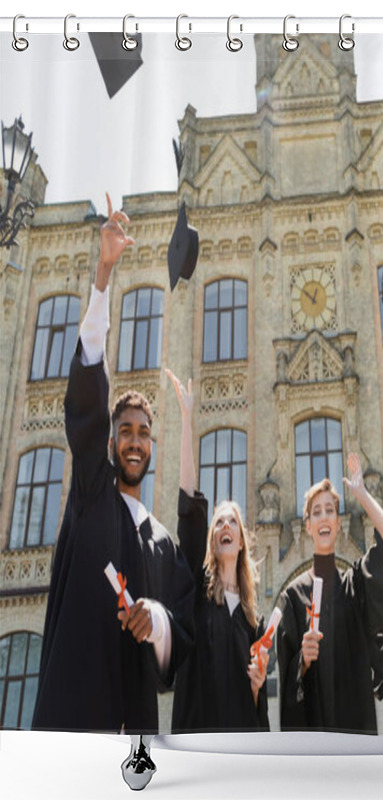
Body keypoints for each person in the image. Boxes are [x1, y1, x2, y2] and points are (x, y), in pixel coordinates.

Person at [32, 194, 195, 733]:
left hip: (134, 741)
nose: (133, 441)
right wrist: (103, 274)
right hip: (74, 724)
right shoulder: (91, 495)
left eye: (143, 434)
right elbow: (85, 400)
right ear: (110, 441)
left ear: (152, 446)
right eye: (123, 430)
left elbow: (181, 634)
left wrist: (157, 623)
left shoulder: (163, 542)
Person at [165, 369, 270, 732]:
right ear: (213, 539)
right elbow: (190, 507)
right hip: (200, 736)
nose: (225, 526)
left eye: (232, 523)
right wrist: (186, 418)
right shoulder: (197, 590)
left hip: (241, 744)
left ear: (241, 541)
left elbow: (257, 702)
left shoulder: (251, 617)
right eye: (219, 522)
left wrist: (258, 685)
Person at [277, 454, 383, 733]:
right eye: (316, 511)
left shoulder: (355, 583)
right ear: (307, 525)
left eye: (330, 510)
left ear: (337, 521)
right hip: (313, 735)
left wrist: (360, 492)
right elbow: (285, 679)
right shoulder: (293, 598)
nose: (324, 517)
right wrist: (303, 662)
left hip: (355, 726)